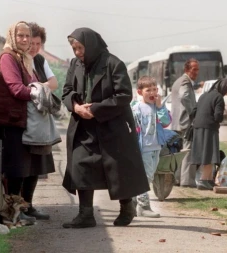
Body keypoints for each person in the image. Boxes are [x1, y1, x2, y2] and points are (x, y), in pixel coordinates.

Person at [61, 27, 149, 228]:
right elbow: (67, 91)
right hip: (83, 126)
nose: (77, 53)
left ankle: (127, 207)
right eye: (74, 49)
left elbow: (124, 95)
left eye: (80, 48)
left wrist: (96, 109)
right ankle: (85, 214)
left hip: (112, 125)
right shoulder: (75, 64)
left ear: (90, 45)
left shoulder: (113, 64)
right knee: (80, 166)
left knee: (117, 169)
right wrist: (75, 106)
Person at [0, 22, 57, 221]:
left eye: (27, 36)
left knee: (29, 167)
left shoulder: (24, 58)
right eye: (20, 36)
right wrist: (39, 92)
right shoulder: (8, 57)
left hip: (26, 121)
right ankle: (11, 214)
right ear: (12, 36)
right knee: (16, 169)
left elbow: (36, 84)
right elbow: (16, 89)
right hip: (14, 121)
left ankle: (23, 210)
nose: (25, 40)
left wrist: (37, 88)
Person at [131, 76, 171, 218]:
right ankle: (143, 206)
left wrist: (160, 107)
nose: (152, 92)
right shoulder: (136, 108)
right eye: (149, 90)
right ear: (140, 92)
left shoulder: (158, 107)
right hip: (143, 148)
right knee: (146, 177)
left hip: (156, 147)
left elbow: (166, 122)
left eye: (155, 89)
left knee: (149, 175)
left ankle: (133, 202)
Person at [190, 79, 227, 190]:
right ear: (224, 88)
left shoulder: (203, 95)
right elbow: (218, 116)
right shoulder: (219, 97)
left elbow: (193, 111)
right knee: (209, 155)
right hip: (209, 128)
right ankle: (204, 180)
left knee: (205, 154)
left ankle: (208, 180)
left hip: (198, 127)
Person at [170, 58, 199, 188]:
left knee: (180, 153)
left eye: (198, 69)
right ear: (187, 70)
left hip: (177, 122)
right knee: (188, 151)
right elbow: (184, 96)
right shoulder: (185, 81)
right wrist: (193, 111)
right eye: (194, 69)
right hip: (186, 122)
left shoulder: (177, 81)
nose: (197, 72)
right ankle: (187, 181)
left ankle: (177, 179)